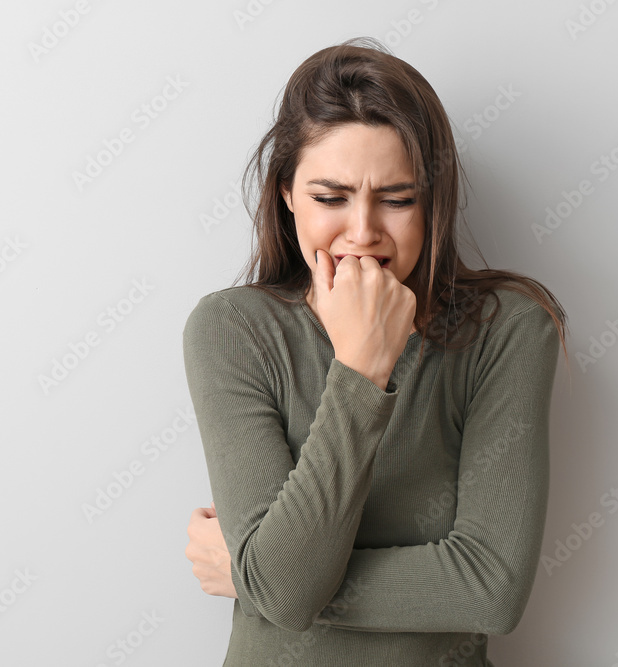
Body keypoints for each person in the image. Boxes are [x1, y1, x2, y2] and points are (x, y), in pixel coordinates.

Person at [181, 37, 570, 666]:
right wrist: (363, 367)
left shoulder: (507, 331)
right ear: (286, 193)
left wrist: (254, 573)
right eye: (330, 198)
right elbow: (284, 588)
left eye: (397, 199)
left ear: (432, 198)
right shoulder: (233, 329)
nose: (362, 232)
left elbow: (491, 590)